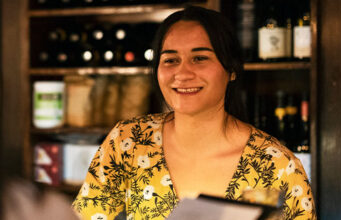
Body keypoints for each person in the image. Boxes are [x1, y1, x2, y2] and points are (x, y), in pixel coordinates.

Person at [73, 6, 316, 220]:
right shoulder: (129, 141)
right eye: (170, 60)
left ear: (231, 70)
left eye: (199, 58)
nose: (182, 73)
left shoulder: (278, 166)